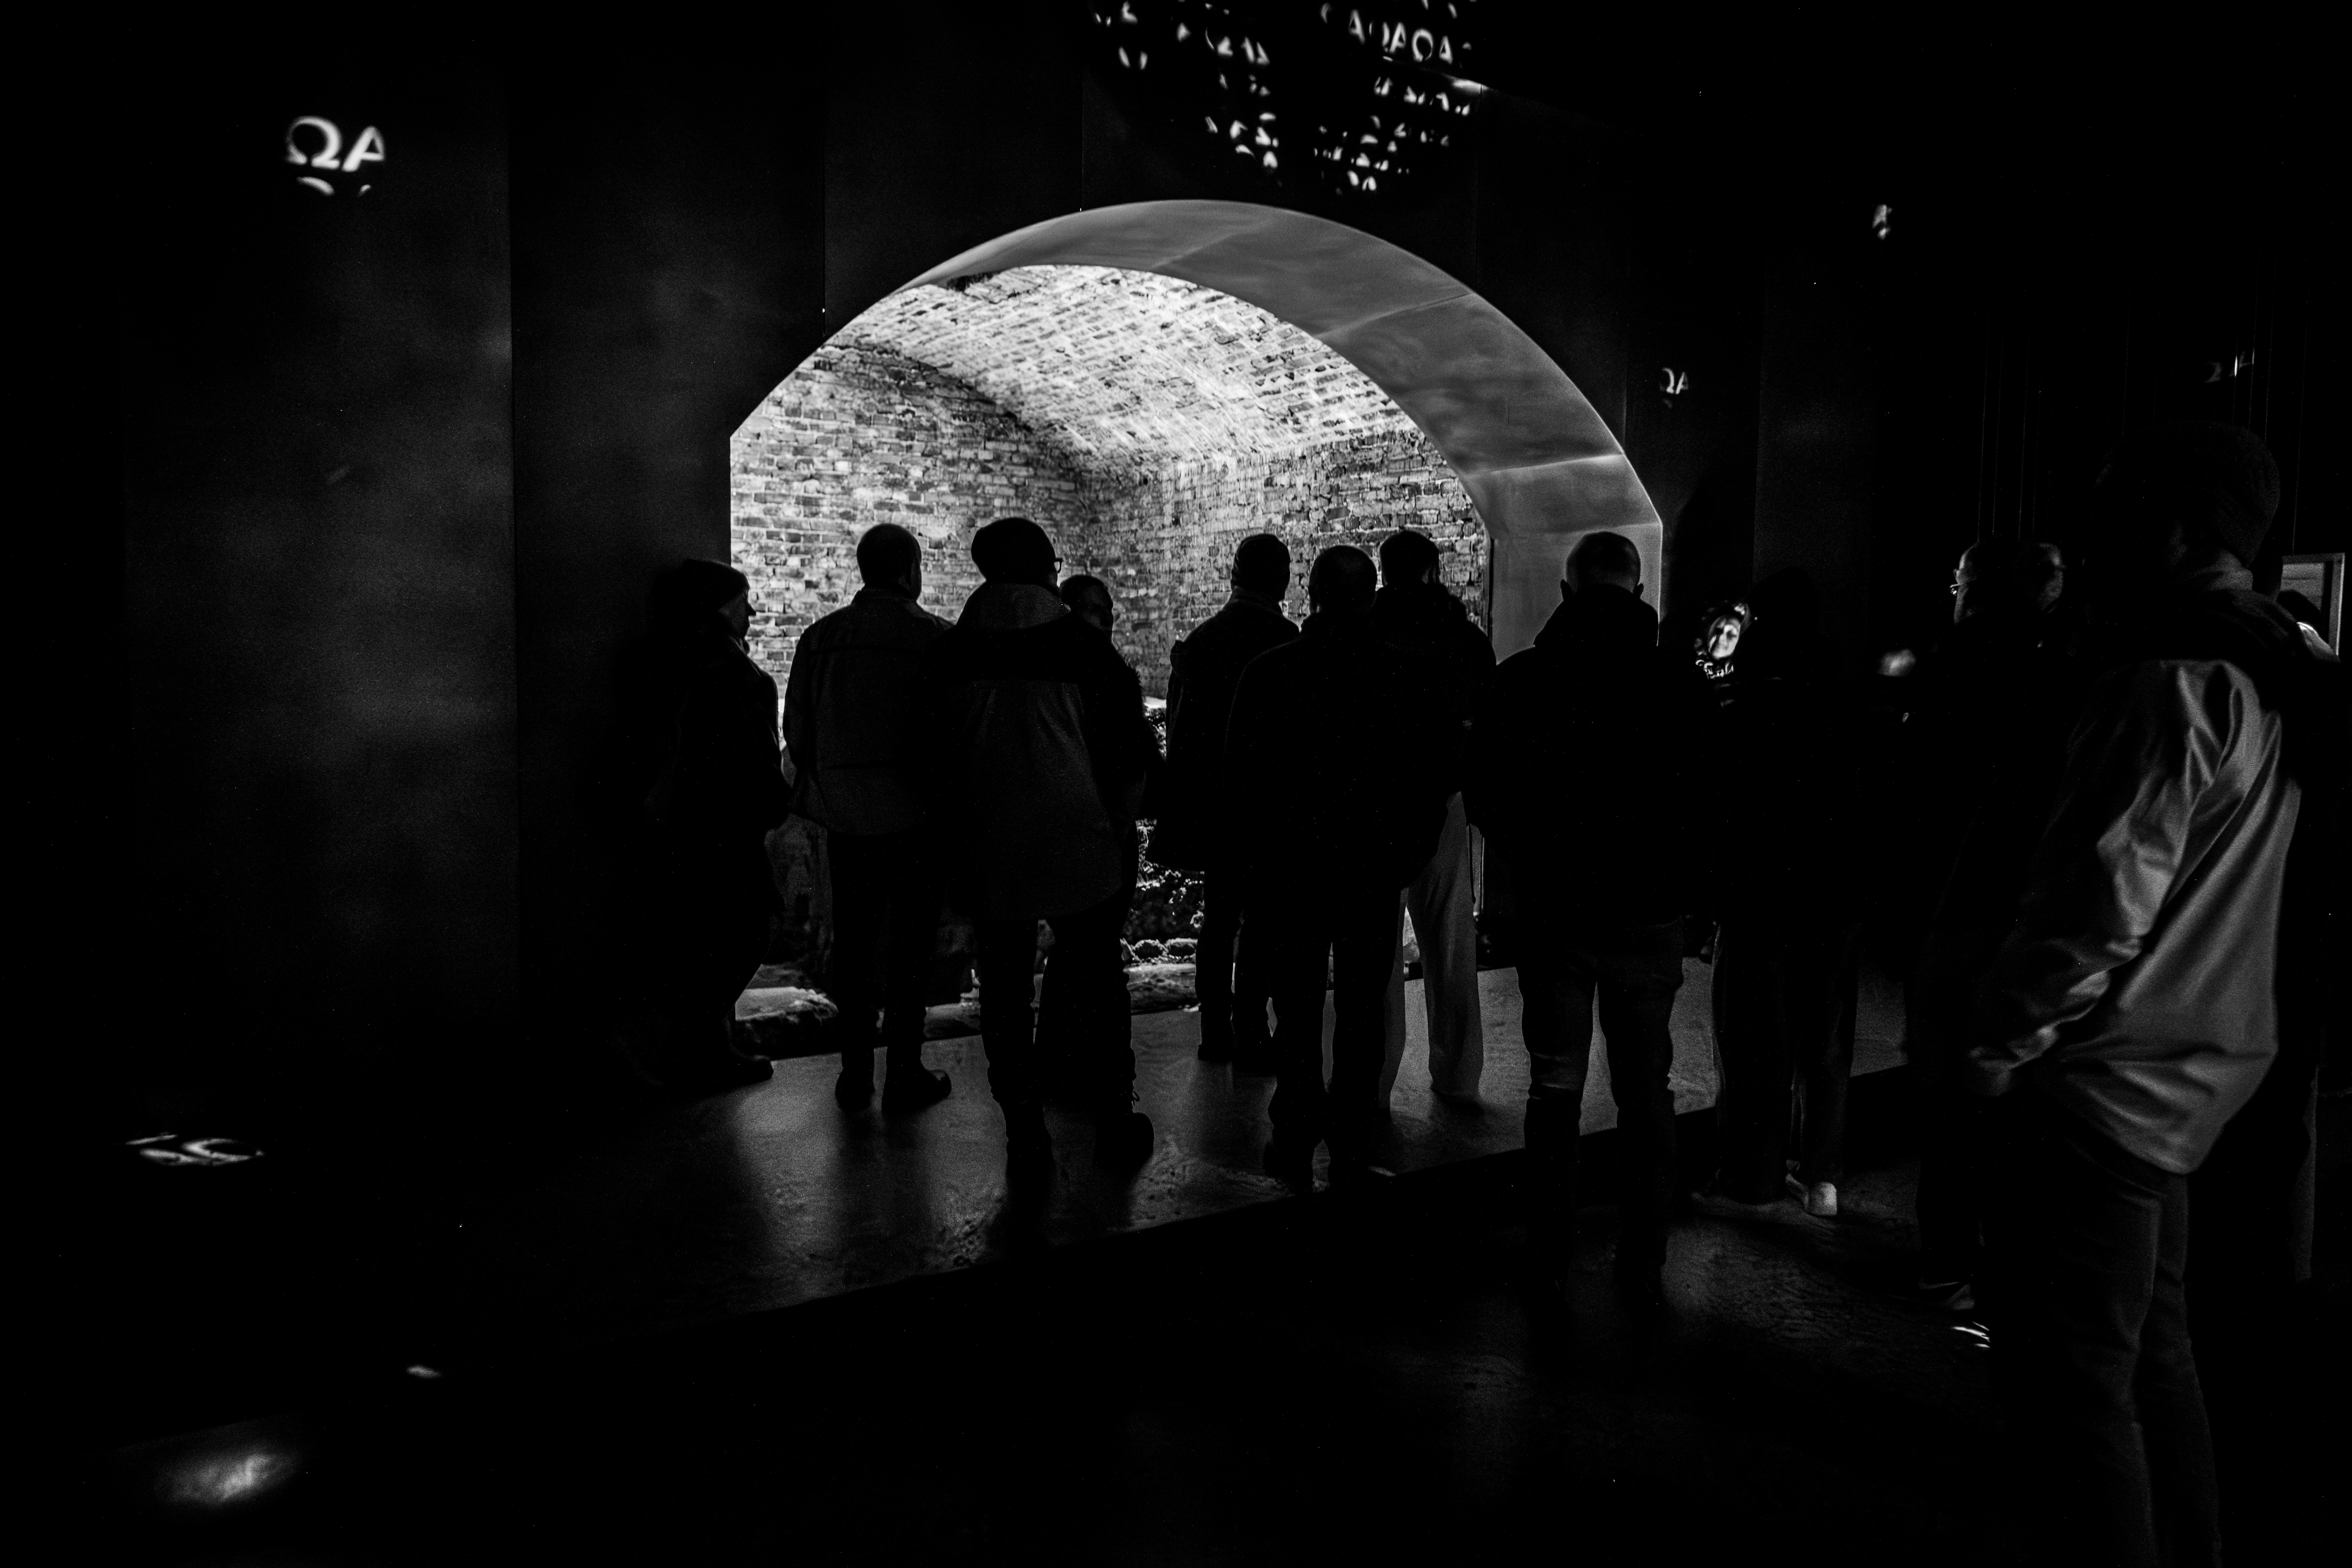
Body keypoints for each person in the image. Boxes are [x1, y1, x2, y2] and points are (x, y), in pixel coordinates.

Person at [1963, 422, 2315, 1567]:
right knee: (2155, 1364)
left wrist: (1991, 1051)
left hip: (2097, 1088)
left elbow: (2092, 910)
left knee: (2072, 1398)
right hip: (2190, 1078)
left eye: (2114, 511)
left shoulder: (2166, 680)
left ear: (2170, 528)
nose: (2090, 539)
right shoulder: (2272, 663)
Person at [1465, 530, 1709, 1310]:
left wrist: (1535, 859)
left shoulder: (1524, 679)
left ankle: (1549, 1255)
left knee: (1554, 1086)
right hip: (1649, 912)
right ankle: (1644, 1257)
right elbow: (1710, 803)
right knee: (1646, 1089)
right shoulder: (1681, 683)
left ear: (1567, 593)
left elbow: (1487, 791)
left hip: (1558, 910)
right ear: (1639, 592)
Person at [919, 519, 1157, 1177]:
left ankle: (1024, 1130)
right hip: (1080, 845)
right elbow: (1129, 760)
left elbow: (931, 766)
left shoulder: (948, 654)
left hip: (988, 849)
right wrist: (1114, 831)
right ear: (1048, 571)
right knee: (1100, 982)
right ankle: (1114, 1119)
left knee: (1003, 991)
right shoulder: (1087, 651)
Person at [1224, 546, 1447, 1187]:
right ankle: (1351, 1138)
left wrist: (1255, 867)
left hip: (1291, 872)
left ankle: (1295, 1129)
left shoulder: (1269, 673)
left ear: (1310, 595)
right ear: (1371, 598)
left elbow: (1241, 783)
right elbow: (1429, 781)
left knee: (1296, 1010)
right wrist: (1405, 858)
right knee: (1362, 1011)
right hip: (1371, 871)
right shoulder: (1403, 675)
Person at [1894, 537, 2077, 1309]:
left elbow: (1914, 788)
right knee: (2015, 1092)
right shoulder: (2066, 667)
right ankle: (2007, 1260)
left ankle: (1946, 1258)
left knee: (1946, 1086)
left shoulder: (1952, 664)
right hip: (2032, 902)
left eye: (1959, 581)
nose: (1952, 591)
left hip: (1955, 902)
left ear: (1977, 590)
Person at [1693, 567, 1862, 1221]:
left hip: (1758, 894)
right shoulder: (1846, 703)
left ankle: (1752, 1176)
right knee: (1827, 1040)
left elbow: (1720, 810)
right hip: (1835, 894)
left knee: (1754, 1039)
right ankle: (1821, 1178)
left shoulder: (1745, 708)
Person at [782, 523, 955, 1113]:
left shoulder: (820, 638)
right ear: (910, 570)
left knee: (853, 949)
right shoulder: (937, 639)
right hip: (918, 820)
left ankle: (855, 1074)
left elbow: (798, 730)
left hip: (847, 821)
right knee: (912, 952)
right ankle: (904, 1072)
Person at [621, 558, 792, 1094]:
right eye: (744, 601)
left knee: (693, 936)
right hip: (723, 827)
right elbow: (748, 758)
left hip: (664, 827)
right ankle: (697, 1048)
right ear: (720, 606)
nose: (753, 612)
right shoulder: (732, 670)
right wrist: (775, 802)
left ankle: (697, 1047)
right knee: (745, 931)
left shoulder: (658, 661)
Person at [1159, 534, 1300, 1070]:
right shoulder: (1286, 643)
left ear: (1233, 577)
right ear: (1283, 582)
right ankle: (1252, 1033)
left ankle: (1215, 1033)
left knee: (1218, 922)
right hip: (1270, 809)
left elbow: (1179, 735)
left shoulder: (1201, 642)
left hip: (1214, 808)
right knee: (1263, 924)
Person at [1368, 529, 1495, 1103]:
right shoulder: (1463, 639)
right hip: (1445, 801)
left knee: (1376, 951)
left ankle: (1376, 1079)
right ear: (1433, 570)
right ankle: (1459, 1074)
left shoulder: (1368, 634)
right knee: (1450, 942)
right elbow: (1485, 722)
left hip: (1376, 805)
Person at [1033, 572, 1165, 1101]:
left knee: (1074, 952)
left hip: (1062, 830)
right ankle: (1107, 1086)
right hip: (1102, 831)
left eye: (1108, 610)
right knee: (1097, 958)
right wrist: (1121, 821)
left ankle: (1060, 1066)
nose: (1106, 619)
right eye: (1096, 609)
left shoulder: (1044, 670)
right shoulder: (1105, 672)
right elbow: (1132, 763)